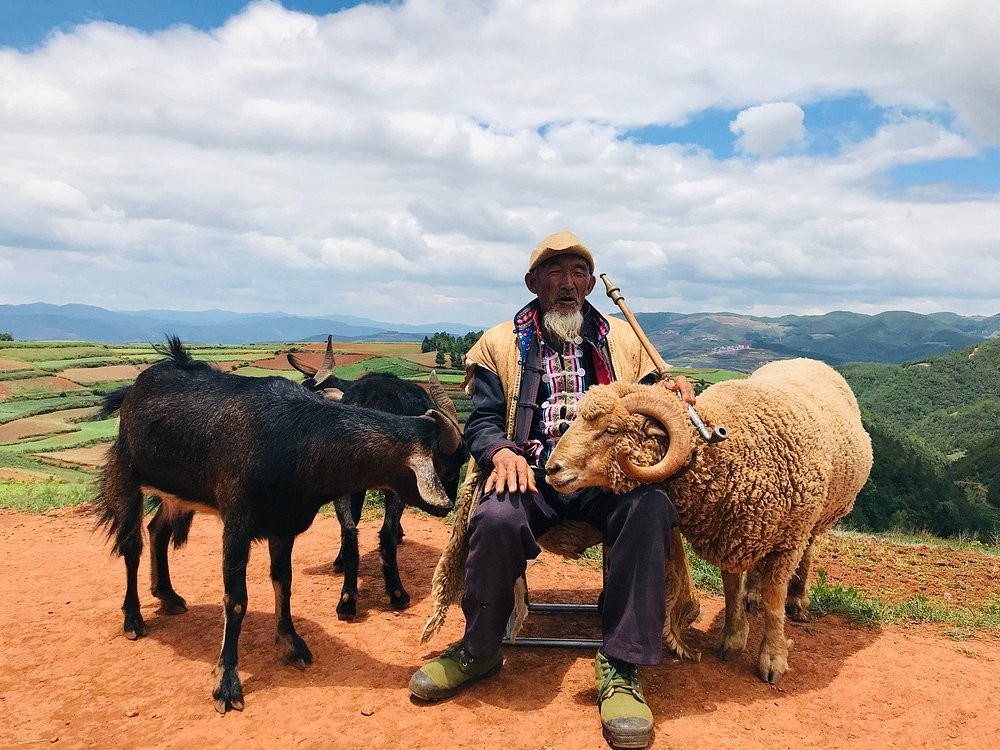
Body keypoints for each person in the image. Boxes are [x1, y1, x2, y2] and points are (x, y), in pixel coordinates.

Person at [408, 230, 696, 749]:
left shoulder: (624, 343)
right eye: (555, 272)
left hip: (606, 476)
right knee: (494, 518)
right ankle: (479, 649)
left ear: (589, 283)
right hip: (531, 471)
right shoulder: (500, 344)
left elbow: (653, 409)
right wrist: (499, 451)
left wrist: (672, 393)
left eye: (578, 273)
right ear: (533, 281)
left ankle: (623, 666)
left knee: (650, 508)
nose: (568, 284)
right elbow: (483, 422)